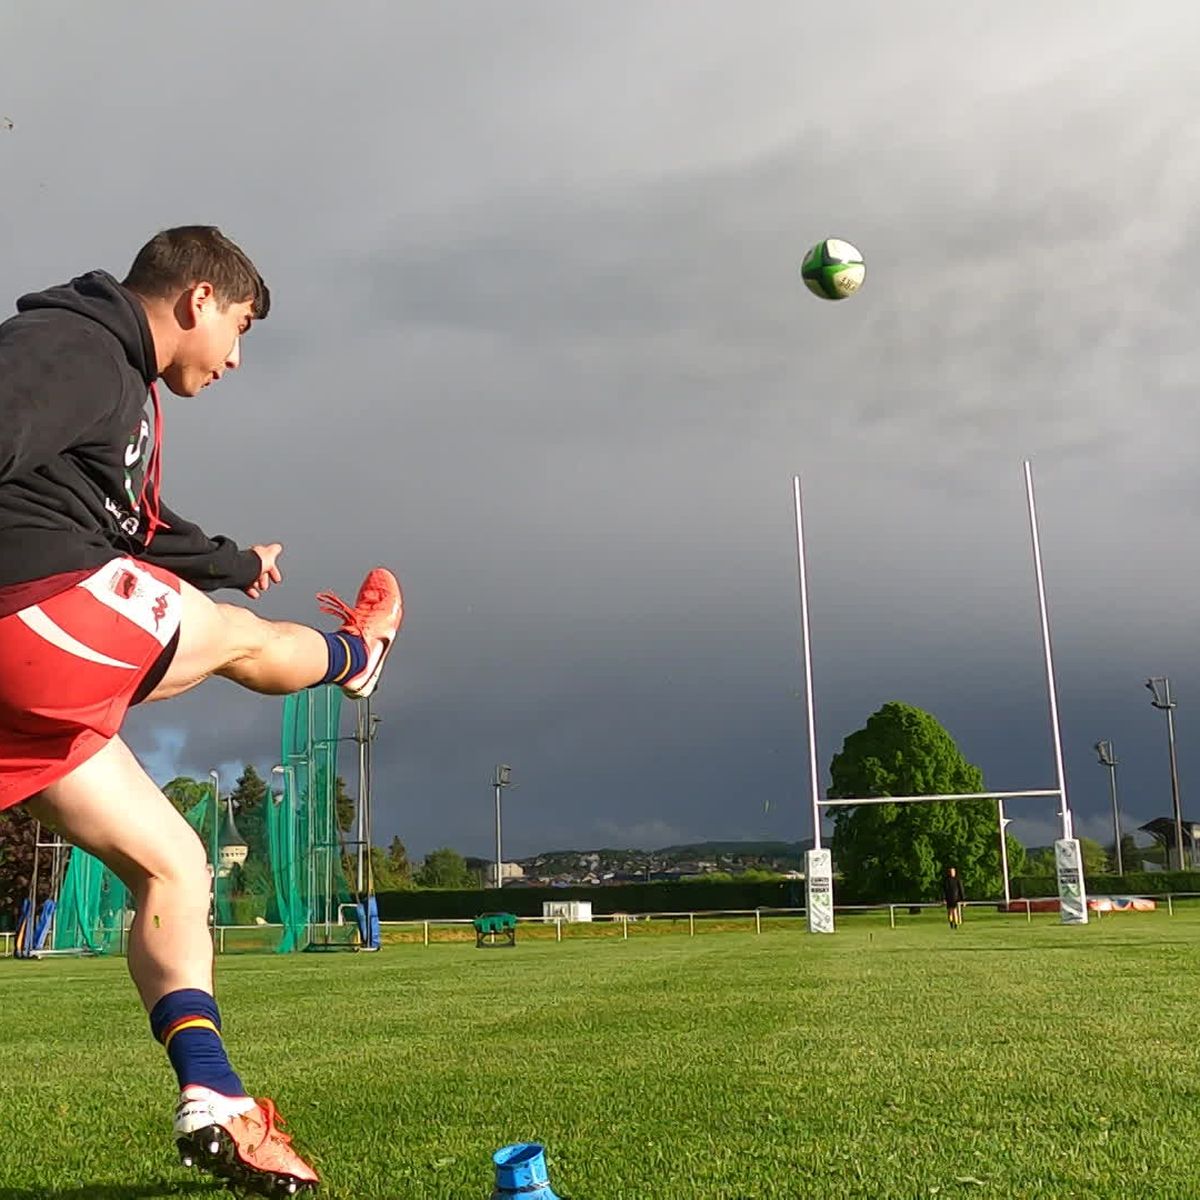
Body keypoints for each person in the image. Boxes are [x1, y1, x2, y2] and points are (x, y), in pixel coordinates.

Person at [0, 226, 403, 1195]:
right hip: (30, 616)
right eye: (242, 327)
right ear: (198, 299)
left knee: (176, 866)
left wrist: (233, 561)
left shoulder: (121, 395)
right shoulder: (77, 345)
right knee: (235, 638)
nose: (235, 357)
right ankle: (359, 656)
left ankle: (215, 1098)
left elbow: (138, 525)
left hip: (31, 682)